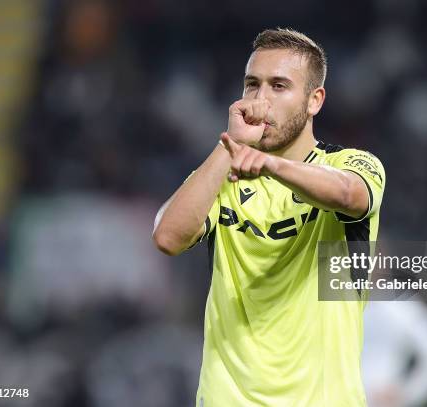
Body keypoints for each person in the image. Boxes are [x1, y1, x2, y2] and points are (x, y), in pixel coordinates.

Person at [153, 28, 385, 407]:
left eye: (279, 86)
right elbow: (167, 237)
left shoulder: (350, 164)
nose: (260, 100)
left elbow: (348, 194)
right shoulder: (221, 177)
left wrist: (270, 165)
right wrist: (229, 146)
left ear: (314, 101)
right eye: (252, 85)